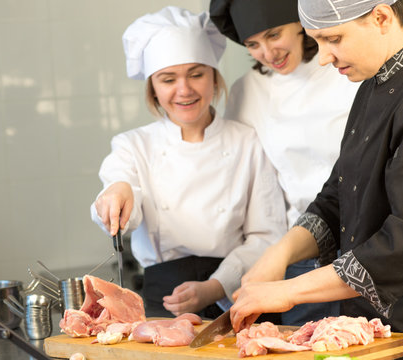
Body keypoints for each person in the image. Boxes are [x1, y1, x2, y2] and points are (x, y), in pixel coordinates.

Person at [229, 1, 403, 359]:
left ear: (382, 17)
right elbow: (338, 197)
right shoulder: (375, 85)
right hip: (372, 333)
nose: (324, 57)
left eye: (333, 39)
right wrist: (280, 254)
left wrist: (290, 291)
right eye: (317, 41)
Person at [90, 6, 287, 319]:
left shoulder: (248, 141)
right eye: (168, 79)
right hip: (165, 299)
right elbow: (119, 184)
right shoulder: (132, 145)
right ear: (152, 88)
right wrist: (117, 193)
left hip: (239, 290)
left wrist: (215, 286)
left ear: (214, 78)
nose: (184, 90)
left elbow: (268, 235)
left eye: (196, 74)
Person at [209, 0, 360, 326]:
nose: (267, 52)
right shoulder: (246, 91)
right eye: (253, 44)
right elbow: (243, 177)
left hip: (368, 248)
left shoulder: (348, 66)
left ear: (300, 22)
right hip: (299, 255)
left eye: (274, 35)